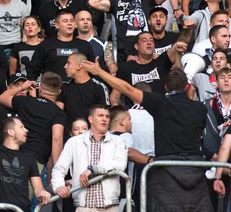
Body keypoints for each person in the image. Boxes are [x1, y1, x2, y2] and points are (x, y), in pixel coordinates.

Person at [83, 63, 212, 211]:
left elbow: (127, 89)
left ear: (165, 89)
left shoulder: (160, 103)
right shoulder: (201, 108)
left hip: (165, 170)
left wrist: (99, 72)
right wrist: (190, 98)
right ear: (187, 87)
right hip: (195, 170)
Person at [0, 72, 66, 198]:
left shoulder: (26, 101)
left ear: (41, 88)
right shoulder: (58, 113)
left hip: (16, 157)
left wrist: (23, 87)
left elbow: (2, 98)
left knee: (12, 199)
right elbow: (57, 139)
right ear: (59, 91)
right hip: (37, 161)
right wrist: (56, 172)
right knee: (28, 201)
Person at [51, 104, 128, 211]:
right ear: (90, 119)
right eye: (100, 115)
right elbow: (59, 169)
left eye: (107, 116)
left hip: (110, 205)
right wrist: (59, 187)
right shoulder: (74, 142)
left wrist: (94, 169)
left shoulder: (118, 141)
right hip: (84, 206)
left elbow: (120, 164)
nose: (104, 119)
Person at [89, 0, 173, 63]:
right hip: (124, 51)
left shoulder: (148, 0)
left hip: (146, 49)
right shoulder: (117, 3)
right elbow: (92, 2)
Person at [27, 9, 95, 81]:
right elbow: (32, 72)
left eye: (71, 21)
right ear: (57, 25)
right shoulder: (46, 45)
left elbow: (92, 71)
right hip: (51, 90)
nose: (69, 23)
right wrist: (32, 92)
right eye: (65, 21)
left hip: (78, 90)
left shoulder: (84, 45)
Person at [57, 52, 110, 129]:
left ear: (79, 66)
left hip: (90, 136)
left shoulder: (99, 88)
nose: (65, 66)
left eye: (68, 63)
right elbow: (59, 115)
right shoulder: (64, 87)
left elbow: (103, 117)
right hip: (68, 136)